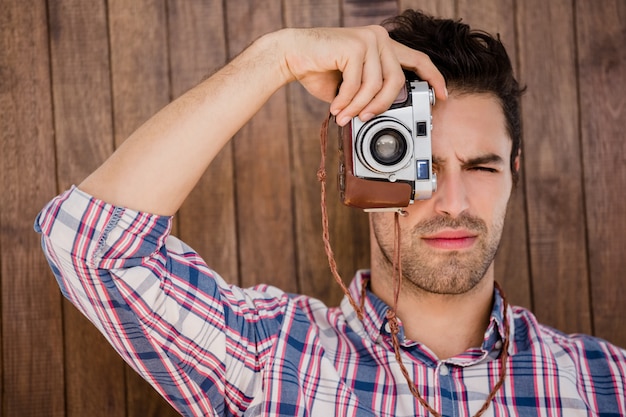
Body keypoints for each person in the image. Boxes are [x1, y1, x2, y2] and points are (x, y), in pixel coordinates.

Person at [35, 9, 625, 417]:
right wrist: (276, 57)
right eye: (416, 166)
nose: (452, 202)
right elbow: (89, 245)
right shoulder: (269, 355)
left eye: (482, 167)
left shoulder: (608, 383)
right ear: (361, 172)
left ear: (514, 173)